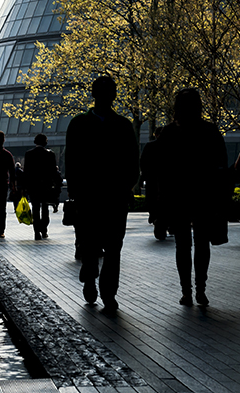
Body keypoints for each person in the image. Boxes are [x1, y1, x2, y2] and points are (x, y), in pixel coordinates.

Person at [65, 76, 139, 313]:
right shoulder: (122, 126)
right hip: (99, 196)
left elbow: (72, 162)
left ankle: (104, 288)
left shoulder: (80, 124)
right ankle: (98, 283)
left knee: (109, 245)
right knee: (99, 244)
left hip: (104, 196)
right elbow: (131, 162)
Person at [158, 88, 227, 307]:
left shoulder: (168, 133)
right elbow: (220, 167)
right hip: (203, 194)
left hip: (178, 196)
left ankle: (186, 290)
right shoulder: (209, 130)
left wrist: (162, 203)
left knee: (182, 244)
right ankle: (200, 289)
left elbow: (163, 171)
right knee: (202, 242)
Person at [24, 134, 59, 240]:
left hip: (33, 186)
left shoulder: (29, 154)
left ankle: (36, 232)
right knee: (45, 208)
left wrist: (25, 186)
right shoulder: (50, 154)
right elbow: (53, 171)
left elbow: (26, 172)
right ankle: (44, 230)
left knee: (35, 208)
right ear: (45, 142)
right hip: (46, 186)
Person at [140, 126, 167, 240]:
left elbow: (143, 163)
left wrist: (144, 177)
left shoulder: (150, 146)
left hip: (153, 179)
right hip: (165, 180)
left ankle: (155, 218)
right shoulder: (171, 147)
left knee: (153, 201)